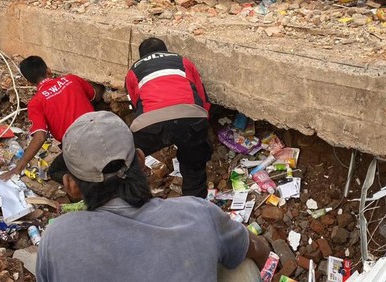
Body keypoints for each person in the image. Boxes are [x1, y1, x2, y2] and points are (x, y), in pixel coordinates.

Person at [36, 111, 269, 281]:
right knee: (241, 267)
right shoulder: (196, 213)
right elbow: (260, 250)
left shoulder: (57, 236)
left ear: (71, 186)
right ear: (140, 160)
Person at [125, 37, 212, 198]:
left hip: (151, 125)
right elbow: (204, 100)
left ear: (141, 56)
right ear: (165, 50)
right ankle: (195, 204)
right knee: (194, 165)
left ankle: (135, 201)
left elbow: (135, 106)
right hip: (190, 119)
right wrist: (201, 130)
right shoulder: (183, 62)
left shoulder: (133, 71)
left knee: (128, 160)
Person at [0, 56, 102, 183]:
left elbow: (40, 137)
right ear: (49, 70)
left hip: (77, 146)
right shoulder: (71, 79)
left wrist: (18, 168)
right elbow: (95, 96)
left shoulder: (36, 103)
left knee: (54, 172)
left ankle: (80, 187)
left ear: (29, 82)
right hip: (100, 131)